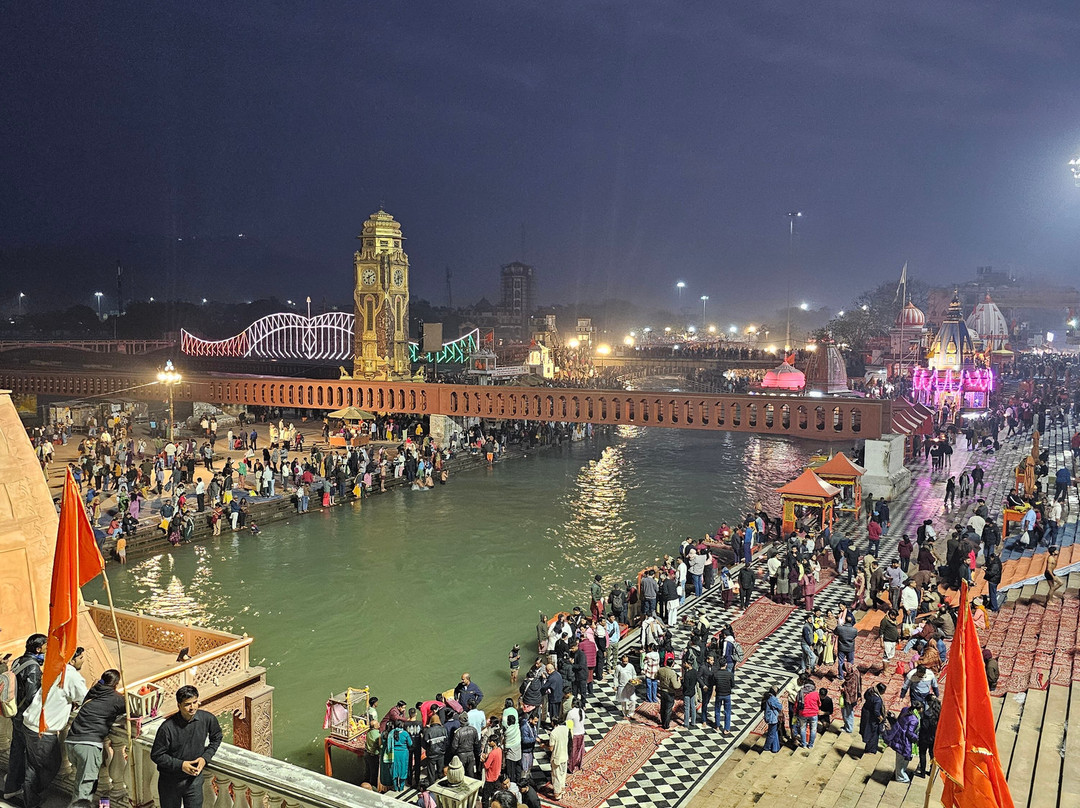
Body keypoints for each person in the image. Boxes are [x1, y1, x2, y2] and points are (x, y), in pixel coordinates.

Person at [21, 648, 88, 808]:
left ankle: (30, 797)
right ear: (72, 660)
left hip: (30, 723)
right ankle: (31, 794)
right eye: (81, 657)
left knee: (32, 764)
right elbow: (84, 697)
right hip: (42, 729)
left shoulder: (55, 668)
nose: (83, 660)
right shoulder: (71, 675)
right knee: (51, 765)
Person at [150, 685, 223, 808]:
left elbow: (217, 738)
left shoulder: (207, 719)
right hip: (170, 782)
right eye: (187, 704)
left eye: (195, 702)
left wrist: (205, 758)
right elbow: (156, 755)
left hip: (193, 781)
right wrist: (181, 765)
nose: (192, 707)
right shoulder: (167, 728)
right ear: (179, 705)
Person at [66, 668, 127, 804]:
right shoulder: (116, 698)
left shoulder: (93, 690)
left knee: (80, 786)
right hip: (88, 745)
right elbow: (130, 710)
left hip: (71, 741)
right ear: (116, 683)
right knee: (84, 792)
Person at [3, 632, 46, 802]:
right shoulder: (33, 667)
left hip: (15, 713)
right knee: (31, 756)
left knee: (16, 749)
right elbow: (32, 696)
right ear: (37, 649)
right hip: (26, 717)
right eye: (45, 648)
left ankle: (11, 786)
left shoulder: (18, 660)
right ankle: (28, 794)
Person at [885, 705, 920, 783]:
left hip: (898, 737)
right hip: (904, 742)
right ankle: (901, 777)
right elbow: (909, 733)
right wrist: (917, 739)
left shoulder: (905, 710)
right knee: (902, 760)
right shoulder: (914, 720)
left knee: (900, 759)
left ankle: (900, 774)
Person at [915, 695, 941, 778]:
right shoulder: (939, 712)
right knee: (932, 754)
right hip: (934, 737)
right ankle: (931, 771)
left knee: (922, 754)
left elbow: (924, 727)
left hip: (925, 737)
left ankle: (922, 772)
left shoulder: (926, 714)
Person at [860, 683, 888, 753]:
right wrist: (881, 718)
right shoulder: (877, 700)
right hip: (872, 718)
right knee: (873, 734)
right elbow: (876, 711)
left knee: (867, 730)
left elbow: (865, 696)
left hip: (866, 712)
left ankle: (868, 748)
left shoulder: (870, 691)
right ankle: (870, 750)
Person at [422, 714, 448, 785]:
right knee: (440, 770)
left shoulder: (428, 731)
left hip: (431, 755)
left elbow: (424, 743)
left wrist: (428, 749)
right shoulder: (443, 730)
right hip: (441, 754)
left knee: (431, 772)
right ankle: (441, 782)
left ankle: (432, 784)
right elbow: (446, 741)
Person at [548, 719, 570, 801]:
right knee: (562, 773)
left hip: (557, 757)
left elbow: (551, 748)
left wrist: (544, 745)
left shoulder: (553, 733)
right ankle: (562, 788)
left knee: (556, 775)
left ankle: (557, 793)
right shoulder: (565, 728)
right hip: (564, 755)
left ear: (552, 723)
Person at [657, 660, 681, 730]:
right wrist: (679, 681)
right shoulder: (672, 673)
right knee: (668, 709)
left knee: (663, 707)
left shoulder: (660, 670)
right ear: (672, 664)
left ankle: (663, 721)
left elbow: (656, 677)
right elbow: (676, 686)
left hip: (662, 691)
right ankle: (666, 725)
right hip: (669, 692)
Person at [614, 652, 638, 720]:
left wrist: (634, 679)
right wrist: (615, 685)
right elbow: (615, 677)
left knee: (633, 700)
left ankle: (631, 713)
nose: (625, 663)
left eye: (626, 661)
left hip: (630, 685)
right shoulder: (618, 667)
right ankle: (624, 713)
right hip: (622, 686)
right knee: (623, 701)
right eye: (624, 661)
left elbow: (634, 674)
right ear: (621, 661)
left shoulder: (631, 666)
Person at [566, 697, 586, 773]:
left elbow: (568, 724)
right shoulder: (582, 711)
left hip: (574, 734)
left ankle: (571, 767)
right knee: (580, 750)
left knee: (573, 751)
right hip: (581, 733)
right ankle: (578, 765)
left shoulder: (571, 713)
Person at [840, 662, 861, 734]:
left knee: (847, 713)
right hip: (854, 697)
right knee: (849, 712)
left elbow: (850, 690)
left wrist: (843, 689)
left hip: (849, 699)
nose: (844, 672)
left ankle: (849, 728)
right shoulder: (855, 672)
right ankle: (847, 726)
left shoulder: (851, 679)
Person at [762, 687, 782, 753]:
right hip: (773, 718)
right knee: (771, 734)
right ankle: (766, 747)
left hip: (769, 717)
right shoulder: (773, 699)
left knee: (774, 732)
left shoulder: (767, 697)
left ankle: (775, 748)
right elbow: (780, 706)